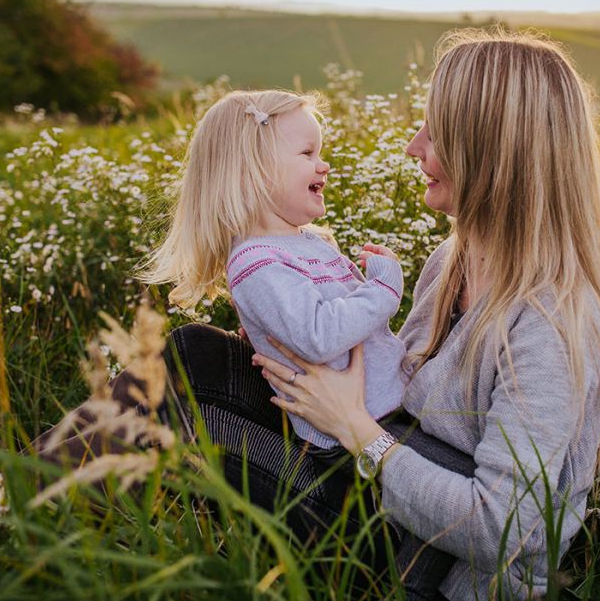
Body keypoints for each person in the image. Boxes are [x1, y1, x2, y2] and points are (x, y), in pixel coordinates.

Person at [174, 27, 600, 601]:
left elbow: (502, 530)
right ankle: (28, 492)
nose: (414, 148)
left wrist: (354, 428)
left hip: (437, 580)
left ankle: (32, 507)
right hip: (376, 487)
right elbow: (402, 385)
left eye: (433, 133)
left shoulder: (552, 323)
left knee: (174, 419)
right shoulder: (454, 259)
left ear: (491, 150)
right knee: (193, 354)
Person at [141, 90, 409, 450]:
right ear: (255, 171)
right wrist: (384, 289)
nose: (323, 165)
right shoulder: (256, 263)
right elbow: (319, 337)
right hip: (345, 444)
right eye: (307, 153)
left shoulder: (306, 242)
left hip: (384, 415)